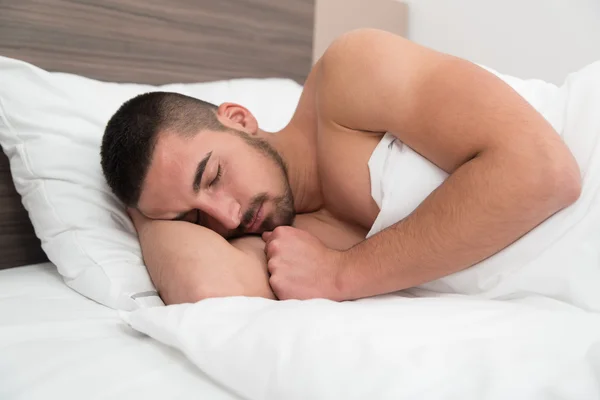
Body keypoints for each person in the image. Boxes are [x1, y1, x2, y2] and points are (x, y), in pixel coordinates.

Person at [100, 29, 581, 305]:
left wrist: (344, 273)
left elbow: (542, 171)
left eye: (212, 176)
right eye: (195, 218)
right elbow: (210, 294)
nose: (226, 217)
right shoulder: (290, 243)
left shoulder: (348, 75)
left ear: (240, 120)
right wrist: (147, 210)